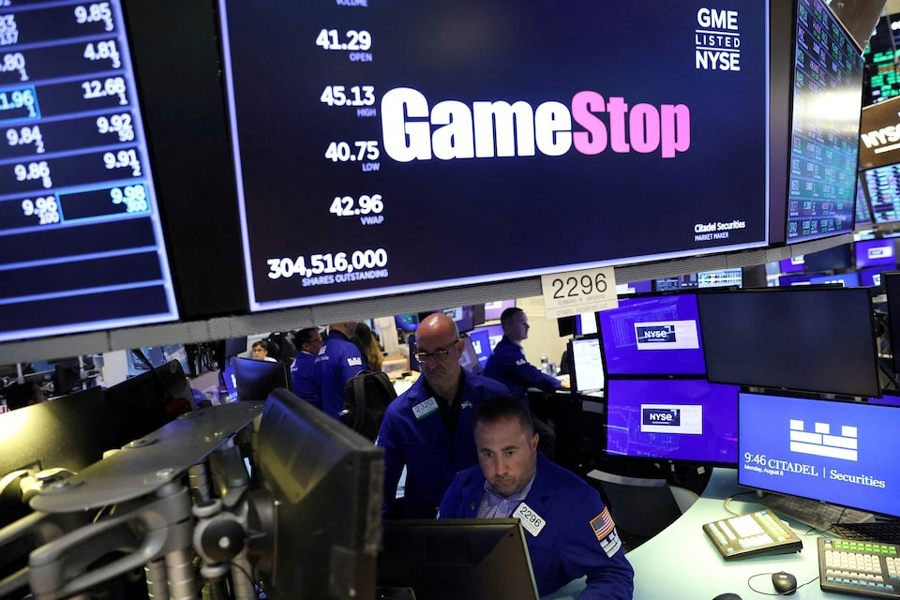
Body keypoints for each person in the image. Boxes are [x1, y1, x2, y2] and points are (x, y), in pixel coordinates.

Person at [439, 396, 634, 599]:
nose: (499, 469)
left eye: (509, 452)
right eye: (488, 454)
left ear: (533, 444)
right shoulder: (463, 484)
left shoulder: (577, 501)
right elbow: (438, 551)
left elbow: (615, 575)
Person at [376, 313, 509, 518]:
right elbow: (379, 489)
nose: (430, 364)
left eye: (440, 353)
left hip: (489, 517)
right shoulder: (400, 415)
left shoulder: (494, 397)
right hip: (429, 526)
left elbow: (521, 461)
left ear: (459, 349)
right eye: (423, 354)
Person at [483, 307, 567, 458]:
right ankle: (542, 471)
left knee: (552, 422)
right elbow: (532, 375)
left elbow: (524, 375)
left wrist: (546, 385)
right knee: (547, 435)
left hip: (515, 406)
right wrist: (559, 384)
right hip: (509, 413)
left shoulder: (509, 348)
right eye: (522, 323)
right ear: (507, 328)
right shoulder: (507, 353)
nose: (528, 326)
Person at [314, 322, 366, 419]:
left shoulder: (320, 351)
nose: (356, 323)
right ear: (346, 322)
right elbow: (357, 391)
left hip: (328, 420)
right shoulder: (347, 349)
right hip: (348, 422)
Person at [290, 327, 323, 406]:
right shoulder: (314, 364)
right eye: (317, 340)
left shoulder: (298, 360)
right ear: (306, 346)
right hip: (316, 408)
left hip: (300, 407)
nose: (322, 342)